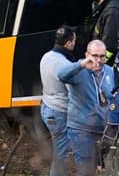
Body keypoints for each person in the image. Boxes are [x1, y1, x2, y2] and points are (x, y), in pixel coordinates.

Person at [58, 39, 116, 176]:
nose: (99, 60)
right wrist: (82, 64)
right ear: (87, 54)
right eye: (95, 55)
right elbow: (61, 75)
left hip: (104, 129)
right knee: (86, 170)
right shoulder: (78, 70)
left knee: (104, 169)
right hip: (81, 130)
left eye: (102, 56)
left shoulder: (110, 72)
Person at [39, 25, 76, 176]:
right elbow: (73, 94)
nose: (75, 43)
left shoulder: (46, 56)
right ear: (67, 43)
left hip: (47, 108)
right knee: (61, 152)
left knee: (59, 148)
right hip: (59, 112)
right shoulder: (64, 65)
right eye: (74, 41)